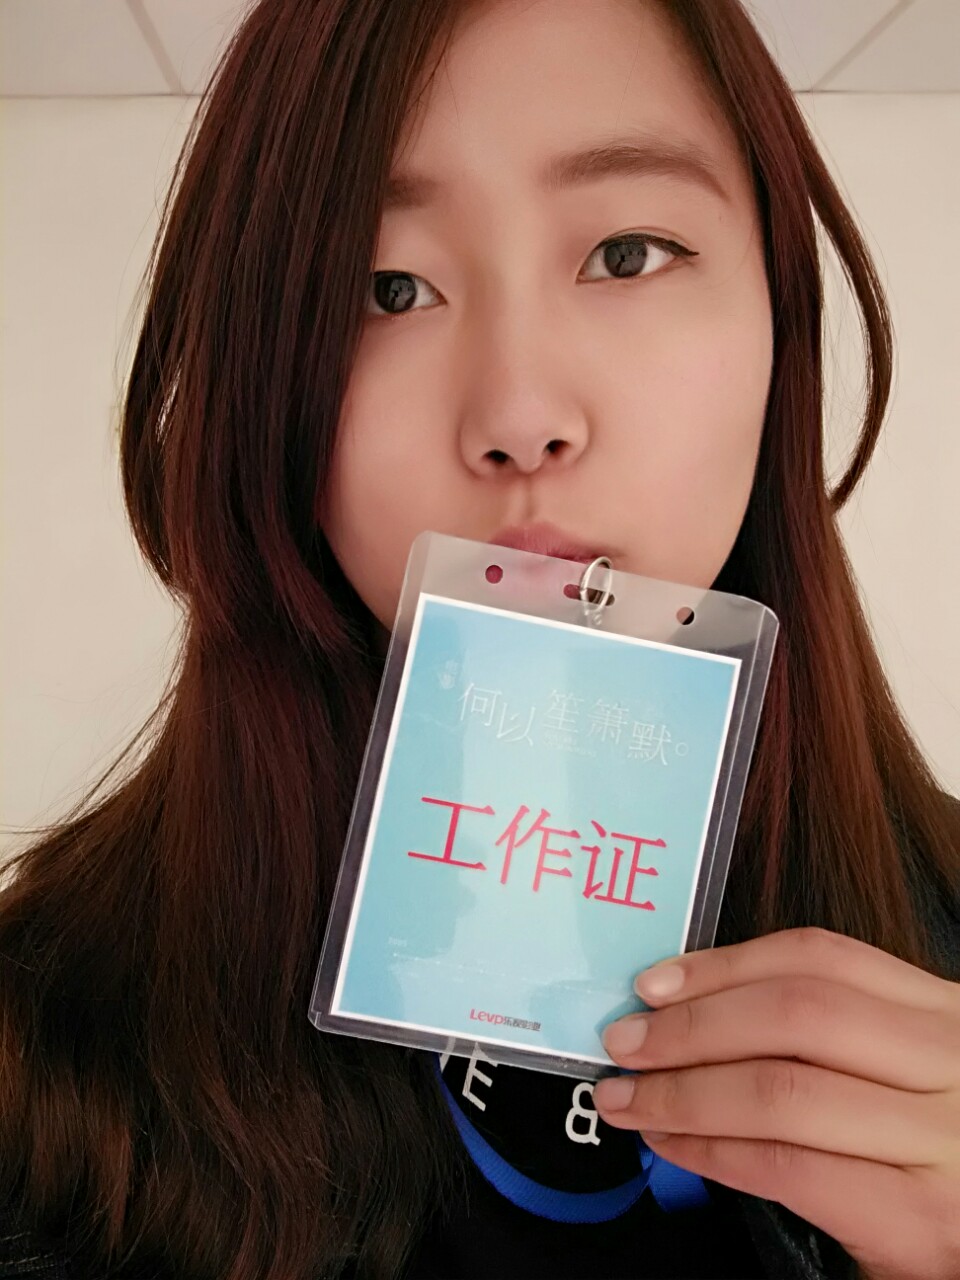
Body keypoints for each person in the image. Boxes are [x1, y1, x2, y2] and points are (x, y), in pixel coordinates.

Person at [1, 0, 958, 1277]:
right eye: (386, 288)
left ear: (779, 323)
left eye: (626, 253)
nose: (519, 414)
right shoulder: (41, 1040)